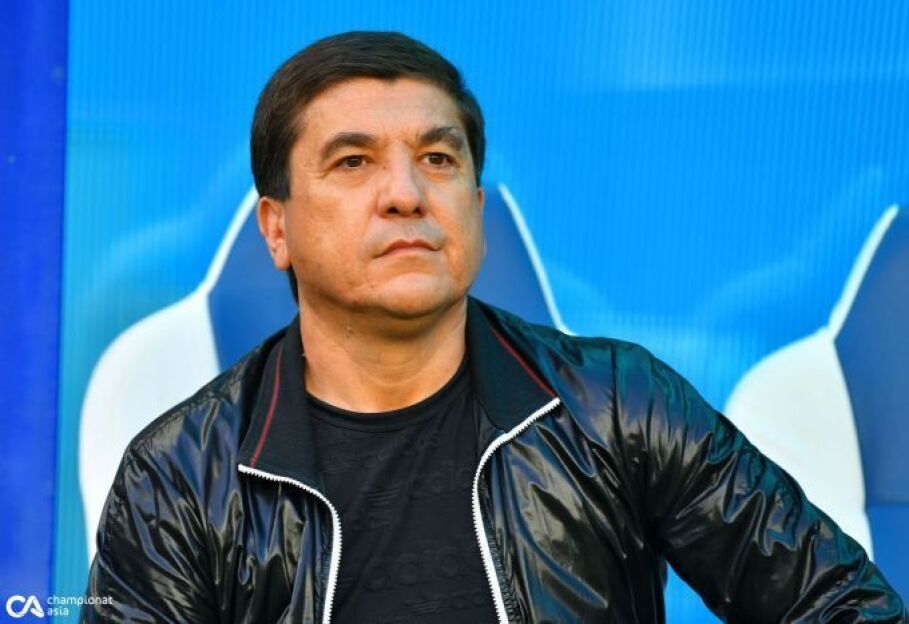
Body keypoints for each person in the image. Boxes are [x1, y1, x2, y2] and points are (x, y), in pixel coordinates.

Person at [82, 31, 907, 623]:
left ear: (474, 209)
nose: (406, 194)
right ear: (276, 228)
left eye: (437, 159)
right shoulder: (180, 477)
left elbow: (840, 603)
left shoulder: (616, 406)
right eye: (353, 161)